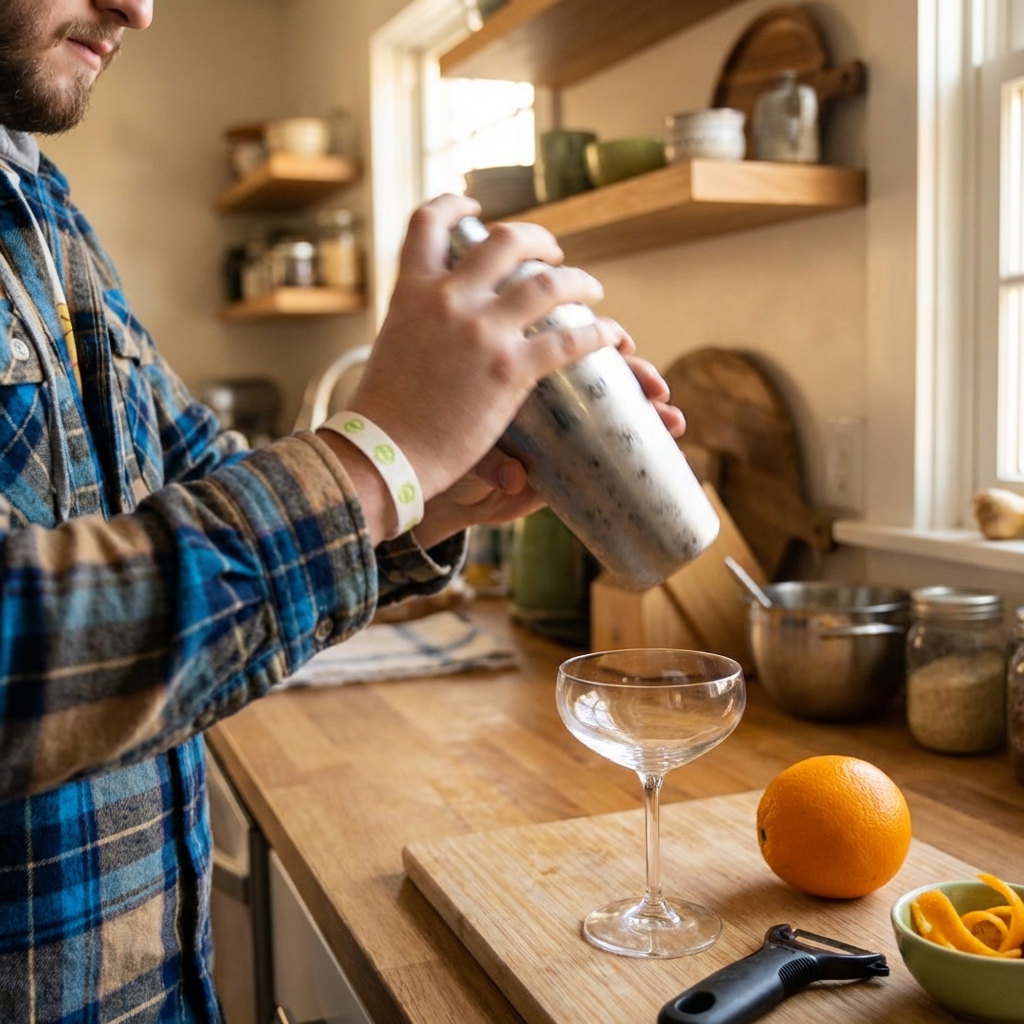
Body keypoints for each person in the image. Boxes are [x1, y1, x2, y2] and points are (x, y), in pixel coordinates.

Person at [0, 1, 685, 1021]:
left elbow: (198, 480)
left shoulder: (45, 217)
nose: (138, 9)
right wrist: (377, 457)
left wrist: (439, 486)